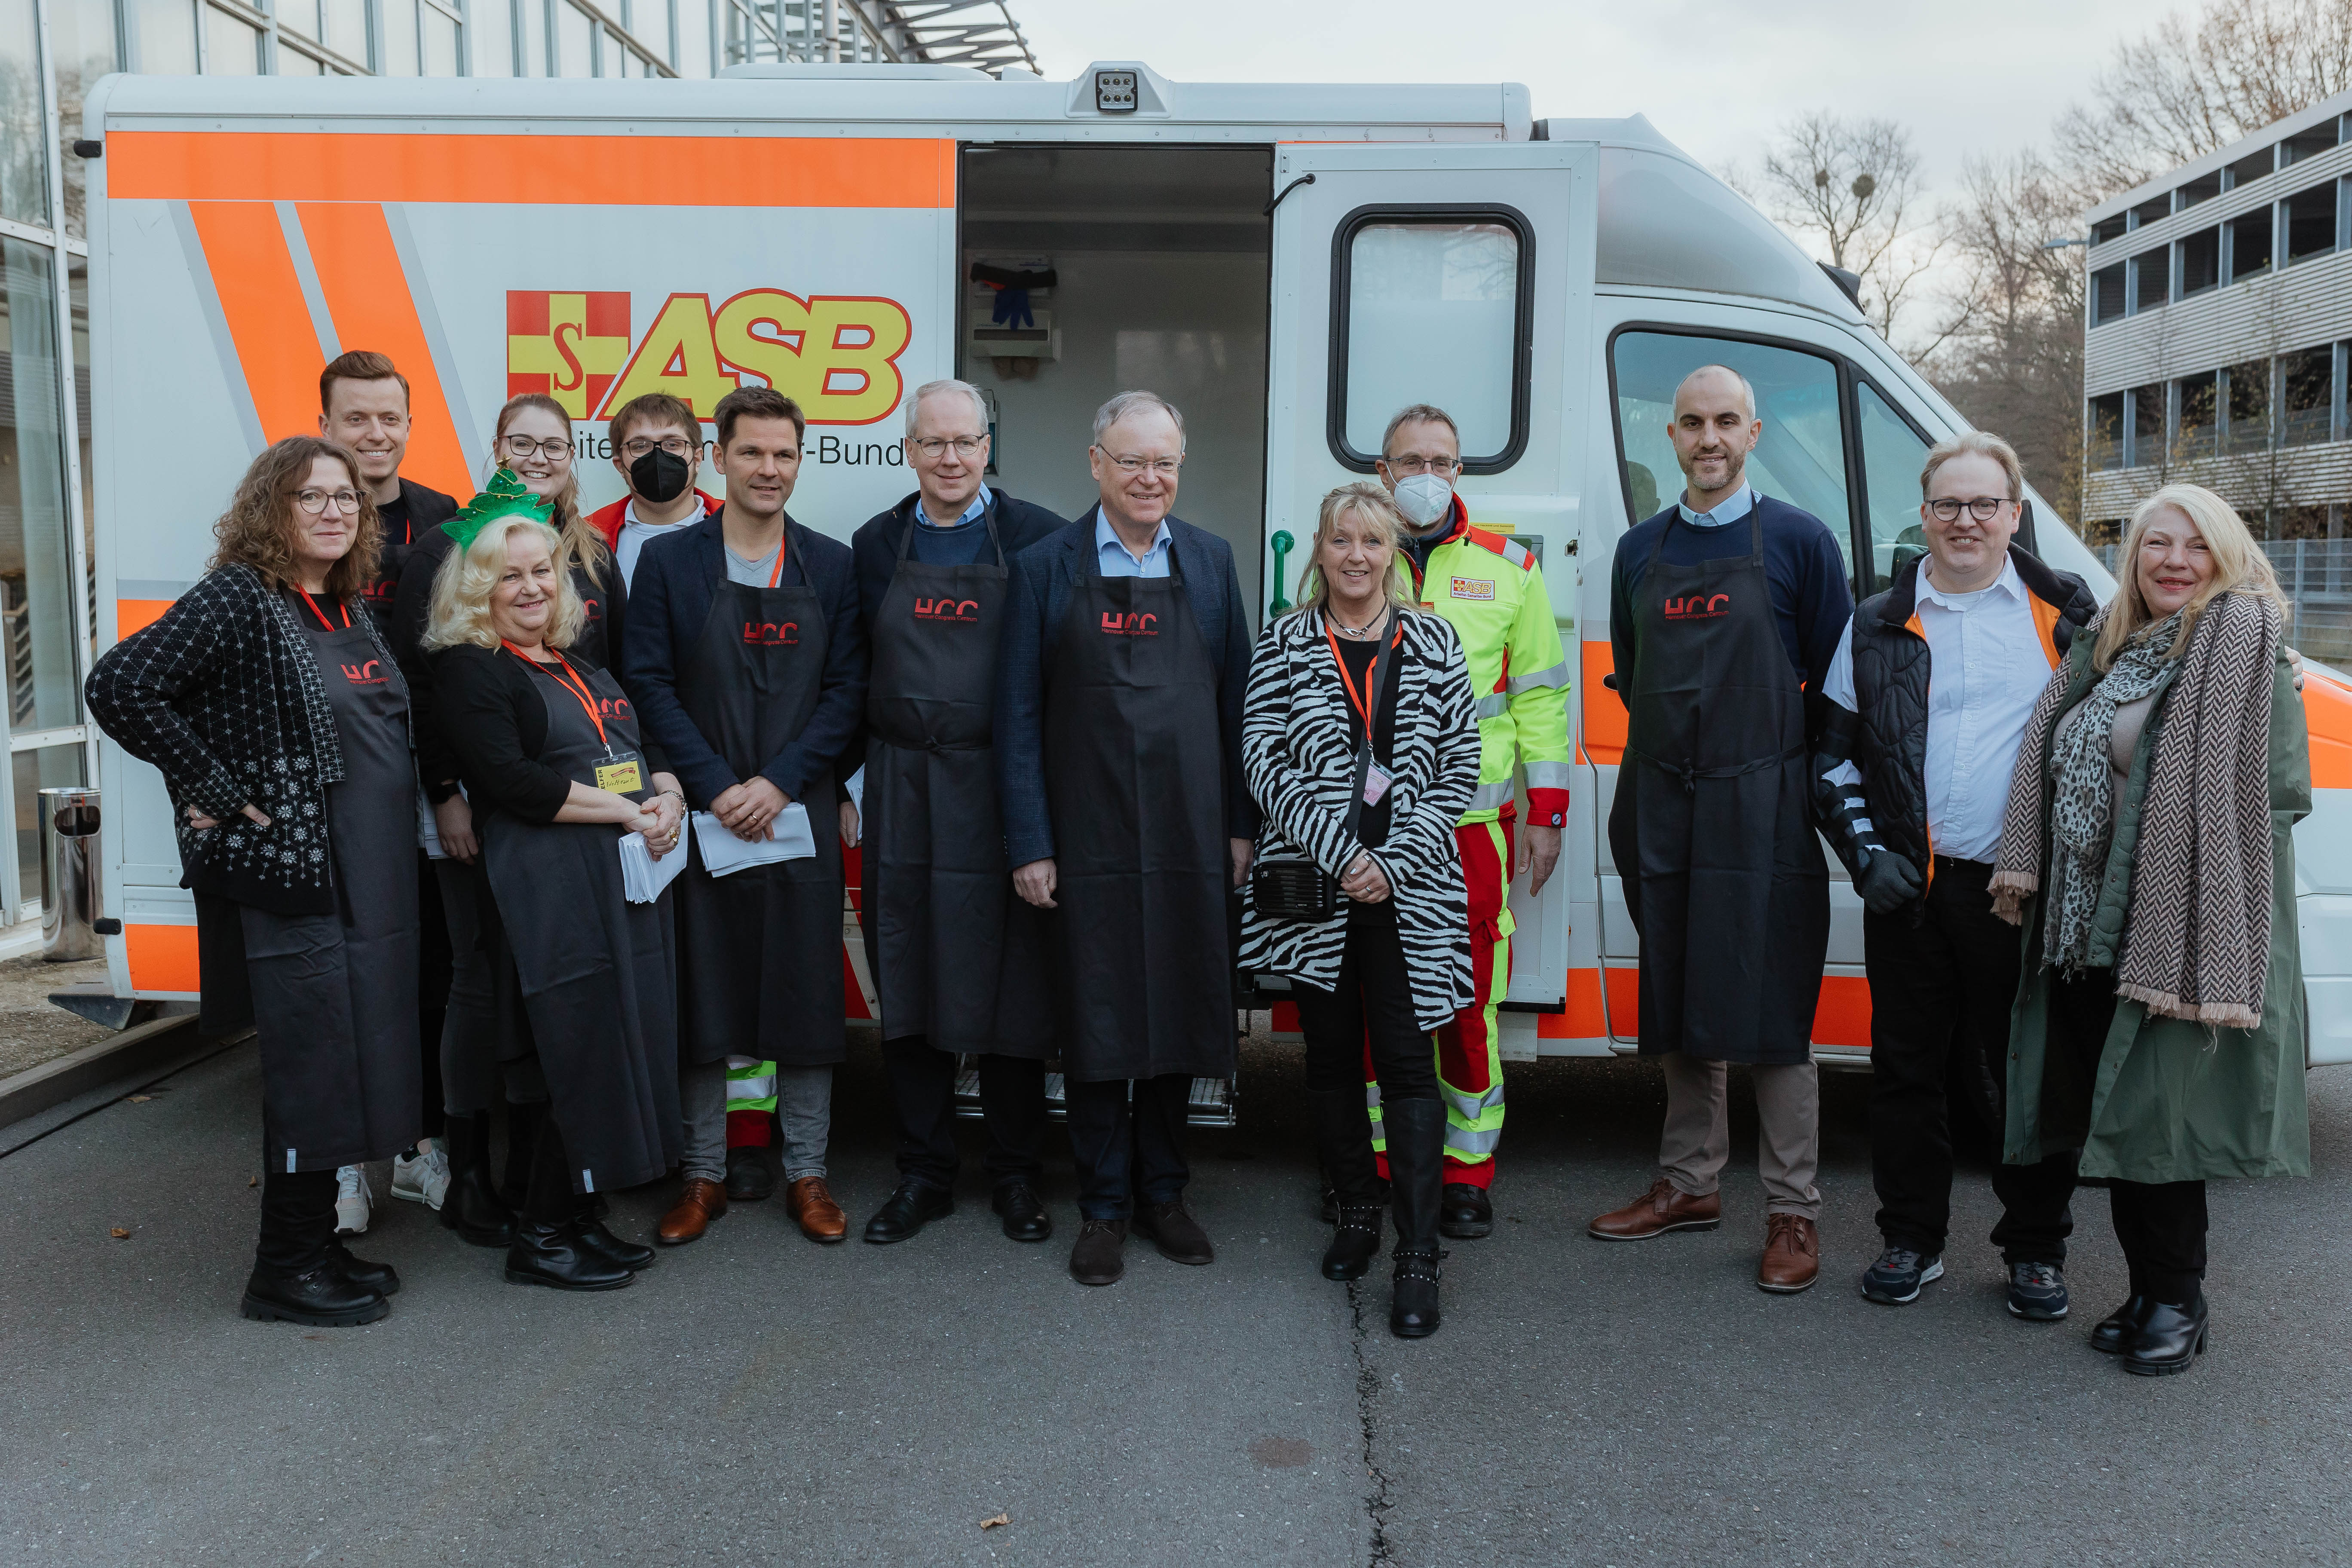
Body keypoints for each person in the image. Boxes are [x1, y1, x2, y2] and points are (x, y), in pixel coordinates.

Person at [87, 435, 420, 1327]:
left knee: (352, 1058)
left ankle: (319, 1247)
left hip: (376, 878)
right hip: (298, 878)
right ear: (270, 509)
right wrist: (217, 790)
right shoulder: (242, 597)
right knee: (313, 1064)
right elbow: (121, 685)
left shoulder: (345, 605)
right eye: (310, 496)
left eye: (346, 497)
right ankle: (283, 1270)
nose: (332, 510)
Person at [1990, 483, 2308, 1376]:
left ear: (2227, 556)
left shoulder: (2250, 661)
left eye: (2195, 547)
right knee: (2122, 1122)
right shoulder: (2111, 650)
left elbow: (2276, 804)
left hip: (2181, 926)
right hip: (2089, 923)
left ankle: (2179, 1299)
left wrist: (2183, 880)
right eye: (2156, 545)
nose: (2174, 562)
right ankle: (2145, 1290)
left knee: (2163, 1124)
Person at [1813, 432, 2097, 1316]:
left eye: (1985, 504)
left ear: (2016, 514)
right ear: (1925, 515)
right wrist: (1866, 857)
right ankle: (1911, 1239)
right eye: (1948, 505)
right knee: (1905, 1070)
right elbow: (1828, 762)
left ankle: (2035, 1251)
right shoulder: (1873, 624)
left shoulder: (2068, 620)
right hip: (1909, 888)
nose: (1966, 520)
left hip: (2020, 891)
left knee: (2024, 1073)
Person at [1587, 364, 1853, 1294]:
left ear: (1754, 435)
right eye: (1692, 422)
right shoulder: (1637, 551)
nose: (1708, 438)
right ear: (1671, 437)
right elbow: (1633, 667)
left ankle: (1793, 1210)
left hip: (1765, 802)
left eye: (1726, 422)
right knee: (1680, 996)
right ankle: (1690, 1184)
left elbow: (1837, 687)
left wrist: (1795, 787)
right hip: (1662, 799)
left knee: (1775, 1009)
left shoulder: (1799, 541)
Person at [996, 390, 1259, 1287]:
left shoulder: (1215, 564)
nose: (1152, 478)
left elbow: (1238, 711)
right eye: (1133, 460)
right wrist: (1030, 842)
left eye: (1166, 463)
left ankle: (1166, 1195)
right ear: (1097, 463)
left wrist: (1238, 828)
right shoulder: (1042, 567)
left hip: (1189, 837)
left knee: (1182, 1009)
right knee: (1100, 1015)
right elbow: (1017, 717)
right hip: (1086, 836)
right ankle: (1104, 1207)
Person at [424, 488, 686, 1290]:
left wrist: (668, 794)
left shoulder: (575, 660)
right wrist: (629, 811)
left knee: (608, 1042)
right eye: (510, 577)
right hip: (547, 883)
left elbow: (638, 743)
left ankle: (573, 1216)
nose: (532, 587)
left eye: (543, 571)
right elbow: (512, 782)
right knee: (566, 1048)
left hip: (615, 876)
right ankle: (541, 1235)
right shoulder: (471, 669)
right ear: (478, 590)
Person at [625, 386, 867, 1244]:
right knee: (706, 995)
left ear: (801, 463)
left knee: (805, 997)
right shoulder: (670, 565)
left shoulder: (833, 567)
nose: (770, 469)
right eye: (753, 453)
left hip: (794, 813)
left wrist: (783, 782)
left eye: (785, 455)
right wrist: (719, 782)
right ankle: (703, 1176)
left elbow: (848, 695)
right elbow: (647, 683)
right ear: (717, 460)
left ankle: (808, 1173)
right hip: (703, 814)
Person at [1240, 482, 1479, 1336]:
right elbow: (1264, 761)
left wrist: (1390, 859)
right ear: (1320, 549)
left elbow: (1461, 766)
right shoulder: (1283, 644)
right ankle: (1355, 1214)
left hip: (1409, 896)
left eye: (1371, 542)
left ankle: (1419, 1259)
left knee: (1411, 1069)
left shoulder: (1437, 641)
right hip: (1317, 893)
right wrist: (1345, 858)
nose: (1355, 556)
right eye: (1340, 540)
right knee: (1333, 1061)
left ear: (1392, 554)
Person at [390, 394, 628, 1246]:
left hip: (584, 808)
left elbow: (611, 673)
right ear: (495, 450)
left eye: (553, 445)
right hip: (492, 804)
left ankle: (548, 1179)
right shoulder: (453, 548)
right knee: (483, 983)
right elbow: (427, 681)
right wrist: (447, 788)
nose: (536, 457)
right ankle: (471, 1172)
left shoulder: (592, 550)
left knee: (549, 995)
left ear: (574, 455)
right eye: (519, 444)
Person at [847, 379, 1067, 1247]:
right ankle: (925, 1174)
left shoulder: (1041, 539)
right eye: (932, 443)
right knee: (911, 978)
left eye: (965, 443)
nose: (950, 459)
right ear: (909, 450)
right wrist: (847, 785)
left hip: (1002, 787)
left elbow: (1060, 681)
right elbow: (851, 672)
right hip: (903, 788)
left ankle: (1016, 1176)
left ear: (988, 447)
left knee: (1014, 986)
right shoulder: (875, 546)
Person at [1372, 405, 1571, 1237]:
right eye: (1409, 459)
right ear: (1382, 472)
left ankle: (1465, 1171)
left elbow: (1540, 694)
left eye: (1442, 460)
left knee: (1466, 1007)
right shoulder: (1354, 554)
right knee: (1378, 1005)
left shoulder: (1511, 565)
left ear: (1461, 471)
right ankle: (1384, 1166)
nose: (1426, 473)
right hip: (1374, 835)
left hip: (1471, 829)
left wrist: (1547, 810)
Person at [317, 350, 457, 1233]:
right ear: (326, 425)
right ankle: (338, 1167)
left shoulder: (444, 521)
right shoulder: (297, 517)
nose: (375, 434)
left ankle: (419, 1149)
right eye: (356, 418)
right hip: (330, 790)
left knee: (431, 968)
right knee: (338, 977)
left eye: (389, 418)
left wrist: (447, 784)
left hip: (423, 780)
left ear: (410, 424)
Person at [594, 392, 720, 590]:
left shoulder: (737, 527)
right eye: (640, 446)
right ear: (620, 465)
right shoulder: (588, 537)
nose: (658, 455)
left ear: (697, 459)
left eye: (673, 444)